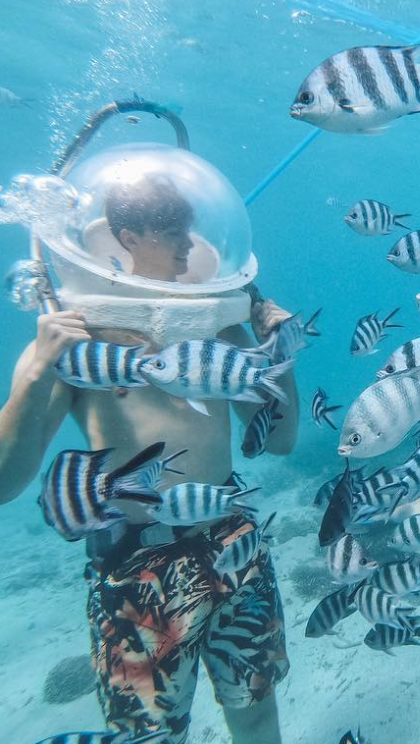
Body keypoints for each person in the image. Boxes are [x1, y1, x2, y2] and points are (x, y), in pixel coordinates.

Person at [0, 176, 299, 744]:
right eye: (172, 233)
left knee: (257, 711)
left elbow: (280, 441)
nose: (189, 245)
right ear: (128, 237)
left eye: (189, 230)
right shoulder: (74, 341)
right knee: (150, 735)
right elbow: (4, 483)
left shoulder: (221, 328)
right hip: (135, 566)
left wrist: (283, 356)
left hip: (231, 539)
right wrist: (37, 371)